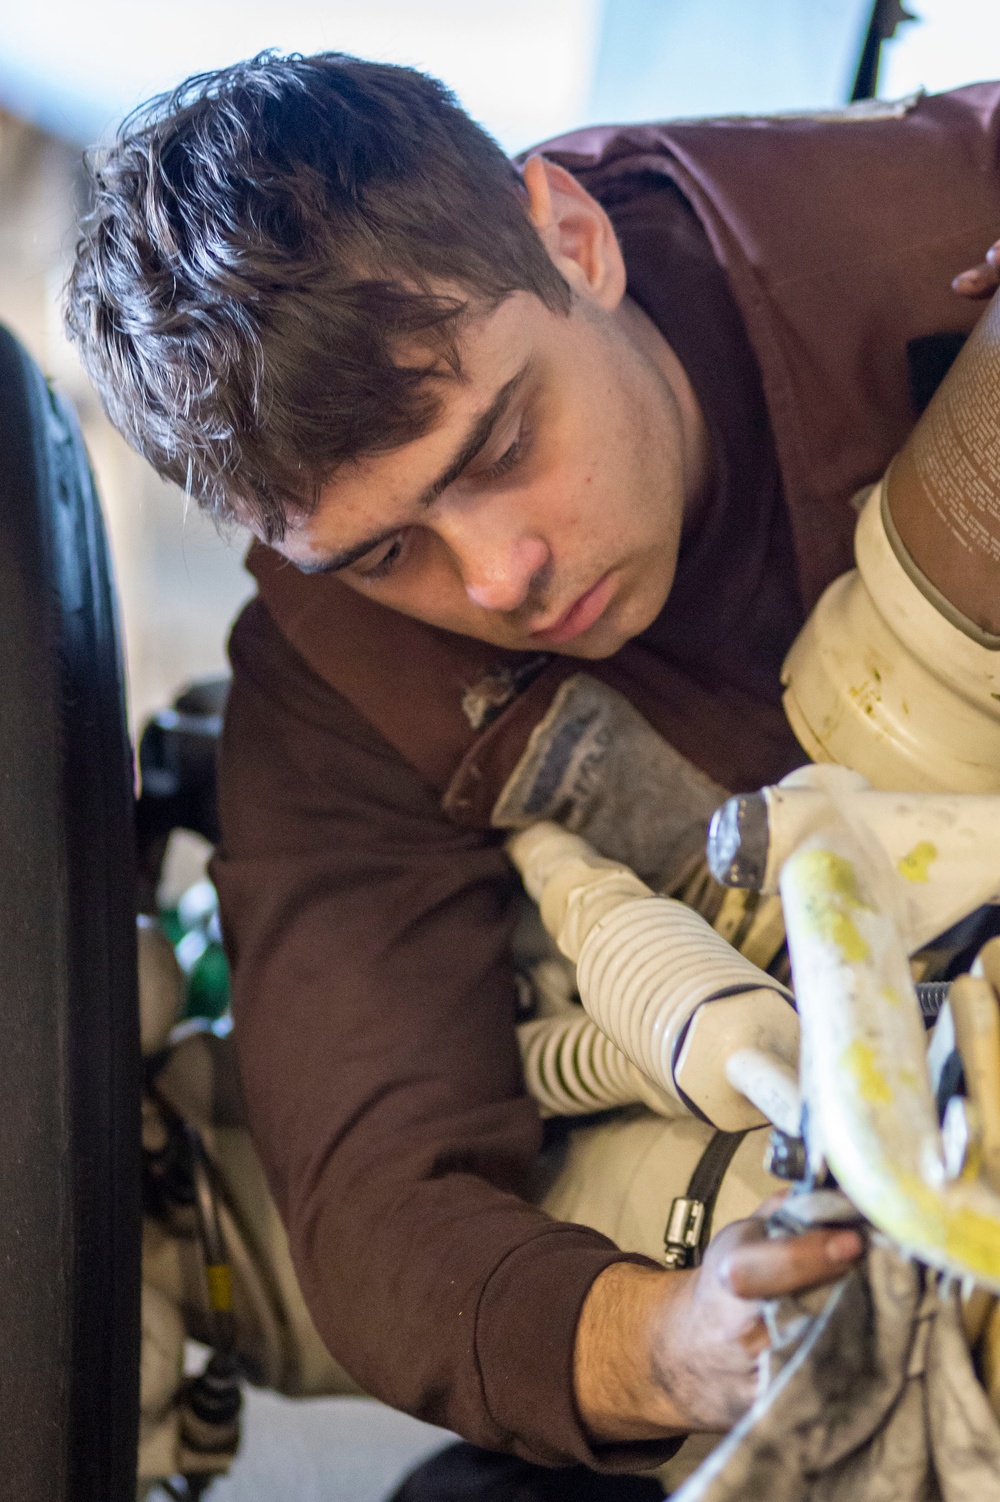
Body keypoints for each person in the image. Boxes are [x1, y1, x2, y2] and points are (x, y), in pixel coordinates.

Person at [66, 51, 1000, 1483]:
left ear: (574, 238)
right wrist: (672, 1337)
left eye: (503, 442)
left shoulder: (920, 225)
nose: (500, 576)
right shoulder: (331, 700)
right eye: (386, 551)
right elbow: (386, 1218)